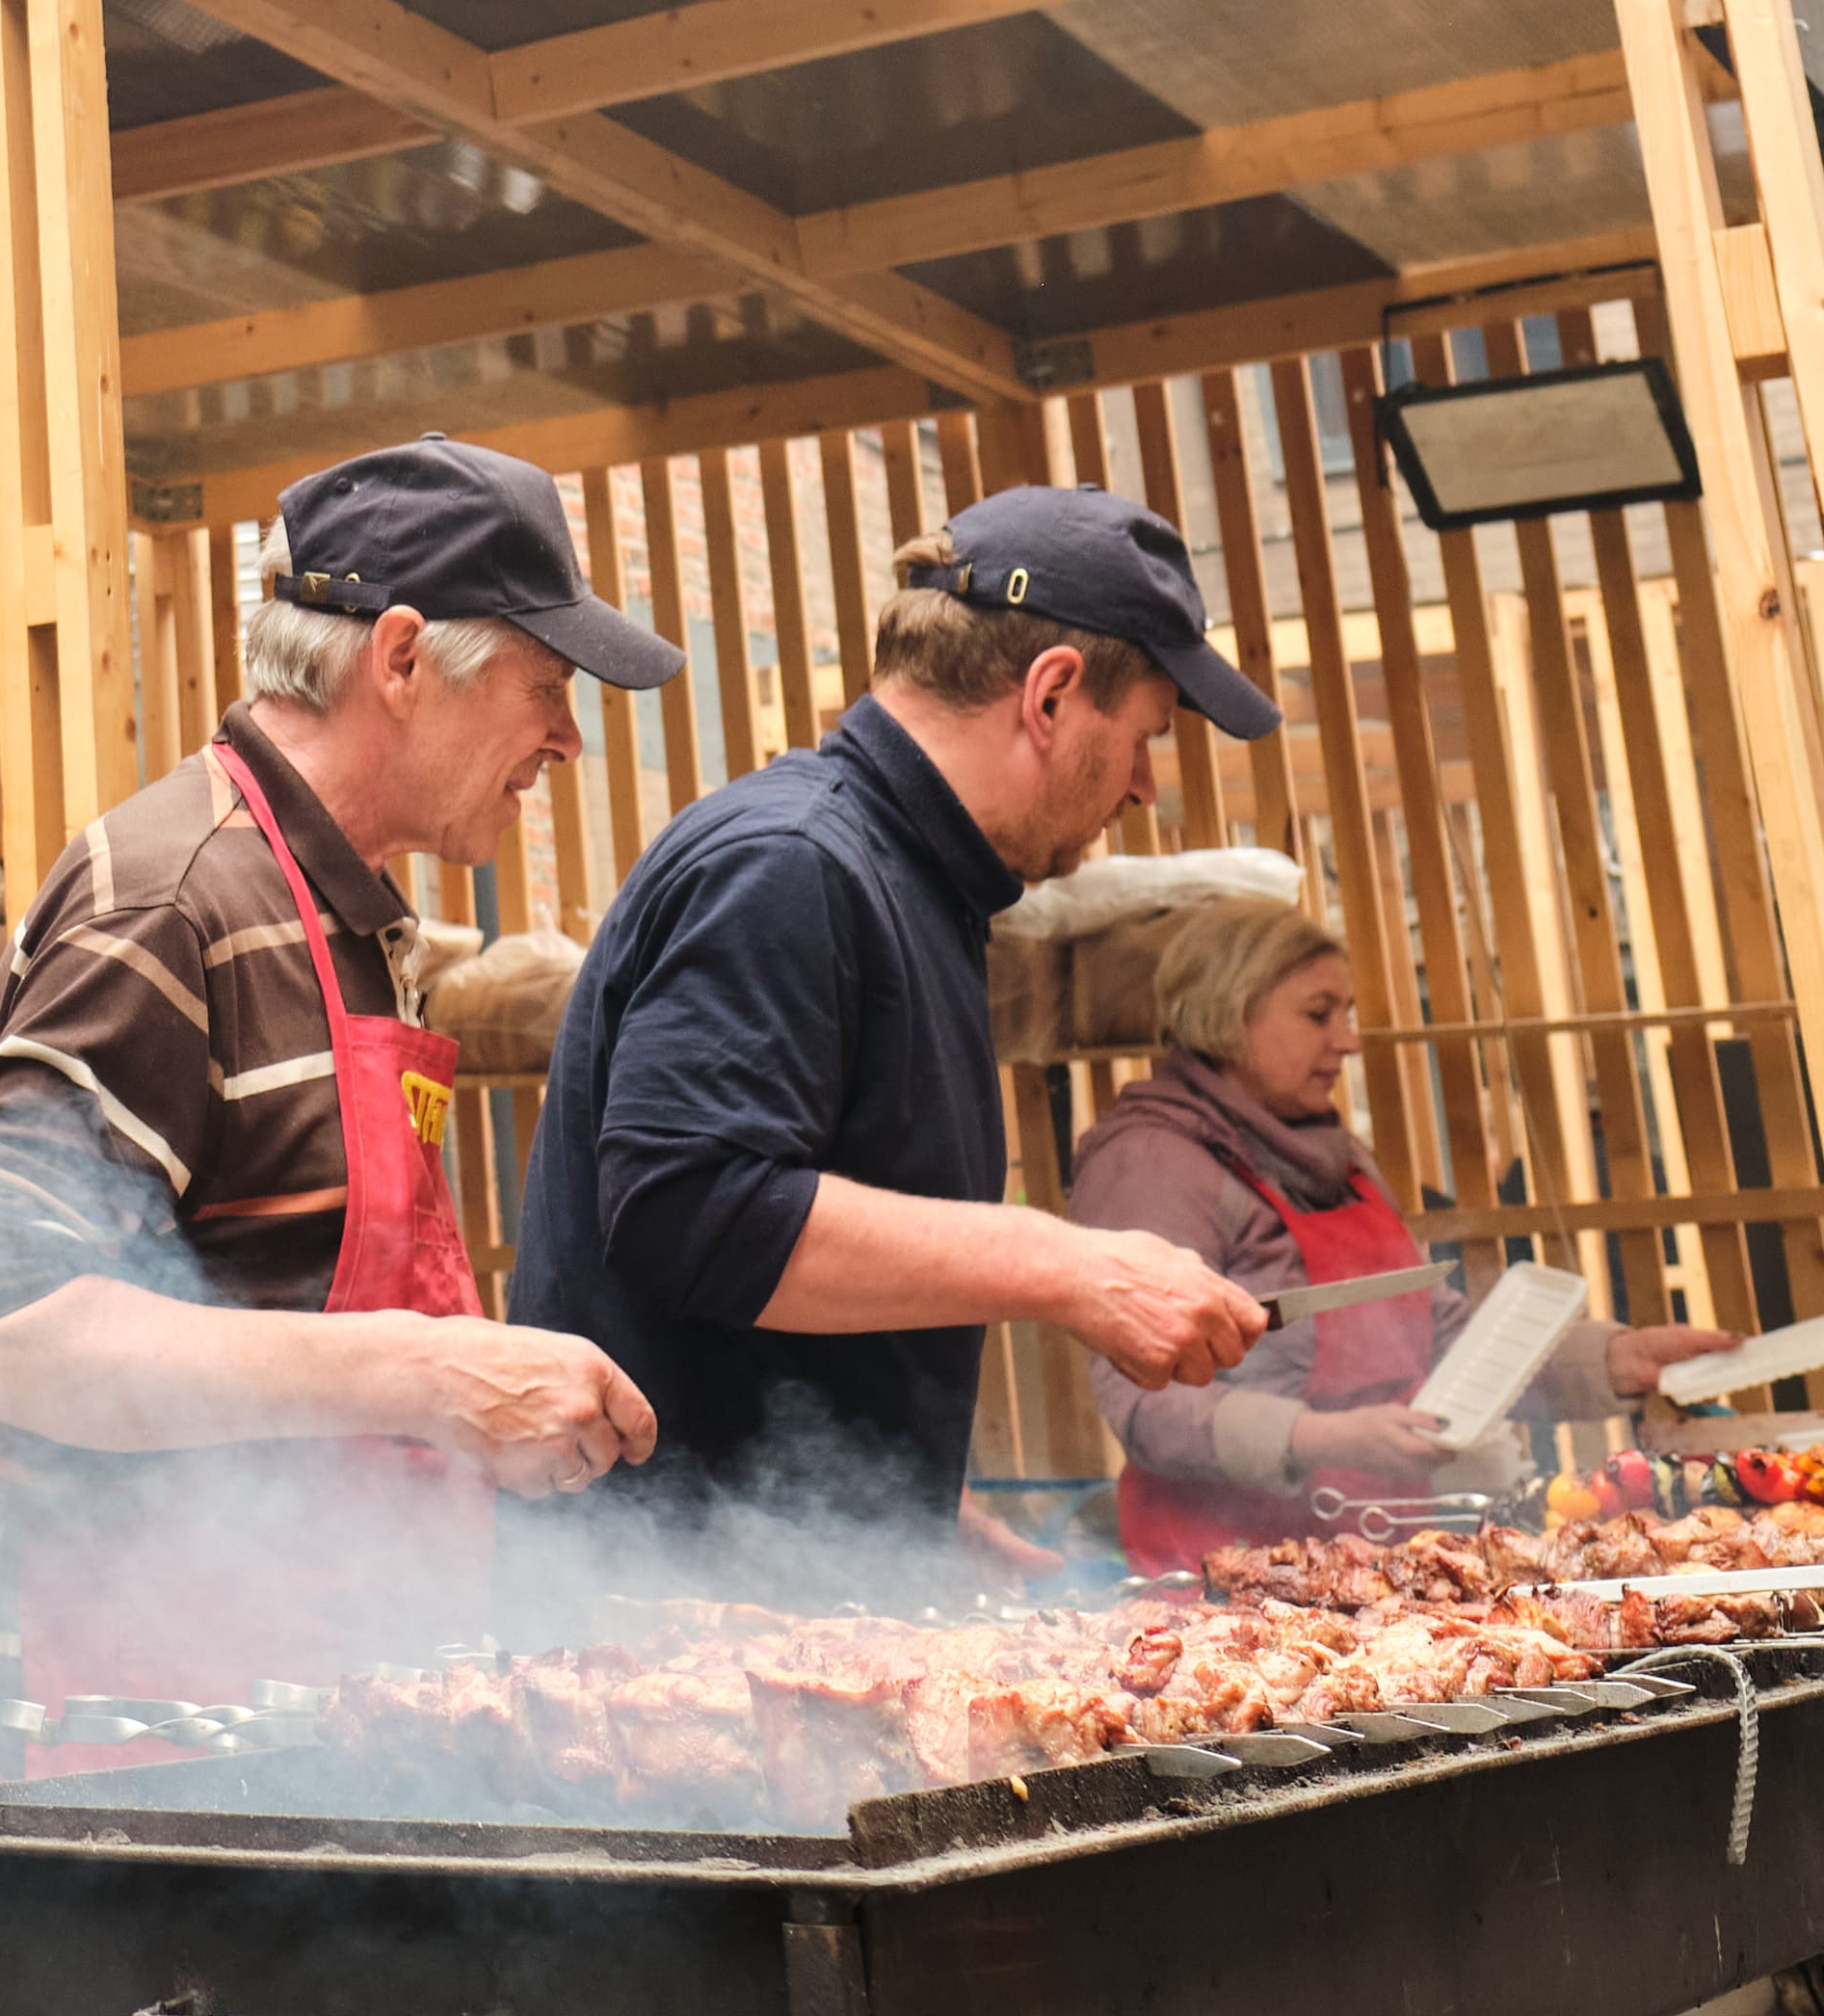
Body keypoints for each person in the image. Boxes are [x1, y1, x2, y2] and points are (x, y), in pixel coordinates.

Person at [0, 437, 675, 1757]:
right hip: (180, 1756)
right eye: (543, 687)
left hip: (358, 1723)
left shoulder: (347, 915)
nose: (565, 738)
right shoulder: (167, 896)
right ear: (396, 658)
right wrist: (431, 1373)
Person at [508, 487, 1281, 1573]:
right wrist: (1067, 1264)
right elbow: (690, 1210)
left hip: (794, 1594)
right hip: (664, 1638)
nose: (1147, 785)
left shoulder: (910, 883)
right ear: (1051, 694)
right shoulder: (789, 863)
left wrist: (900, 1502)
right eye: (1147, 733)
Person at [1069, 896, 1731, 1564]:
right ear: (1227, 1015)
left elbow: (1434, 1338)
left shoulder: (1340, 1156)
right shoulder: (1150, 1162)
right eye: (1317, 1014)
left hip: (1381, 1556)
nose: (1348, 1041)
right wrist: (1319, 1439)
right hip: (1222, 1579)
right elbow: (1143, 1404)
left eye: (1346, 1015)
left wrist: (1609, 1360)